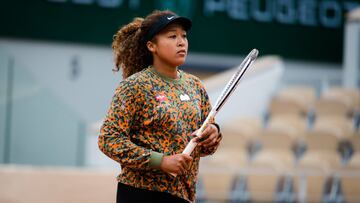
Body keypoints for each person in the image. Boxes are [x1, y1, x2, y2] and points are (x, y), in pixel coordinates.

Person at [98, 10, 222, 203]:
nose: (181, 42)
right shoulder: (134, 86)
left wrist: (213, 133)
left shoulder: (195, 85)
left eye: (184, 36)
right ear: (151, 46)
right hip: (140, 194)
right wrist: (161, 161)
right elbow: (109, 140)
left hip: (183, 195)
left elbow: (205, 144)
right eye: (172, 36)